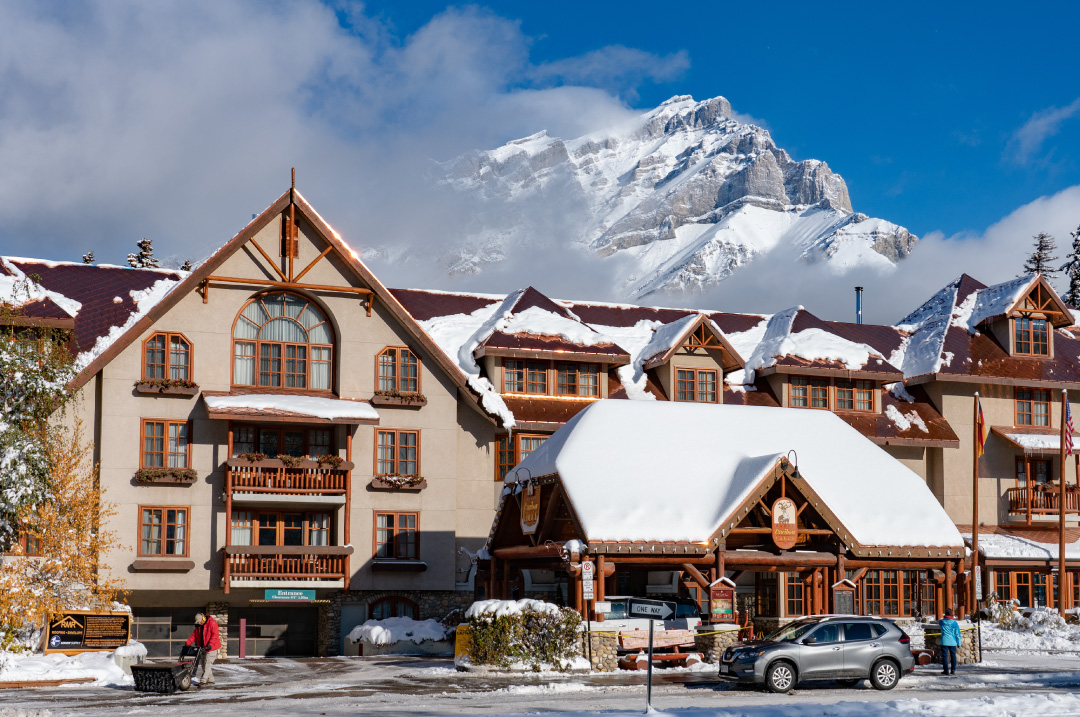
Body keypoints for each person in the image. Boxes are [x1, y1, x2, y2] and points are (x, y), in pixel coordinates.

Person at [185, 612, 221, 686]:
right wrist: (188, 643)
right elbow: (194, 636)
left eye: (200, 621)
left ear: (203, 618)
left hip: (212, 648)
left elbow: (215, 635)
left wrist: (210, 644)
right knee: (204, 664)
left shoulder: (212, 623)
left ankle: (203, 680)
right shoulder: (198, 626)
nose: (199, 623)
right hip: (202, 648)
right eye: (198, 622)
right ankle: (211, 680)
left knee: (207, 664)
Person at [939, 607, 961, 675]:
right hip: (953, 641)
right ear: (951, 615)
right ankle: (953, 670)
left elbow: (940, 622)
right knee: (953, 656)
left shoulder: (941, 622)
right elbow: (957, 634)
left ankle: (946, 670)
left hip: (944, 641)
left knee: (945, 657)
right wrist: (959, 643)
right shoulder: (954, 623)